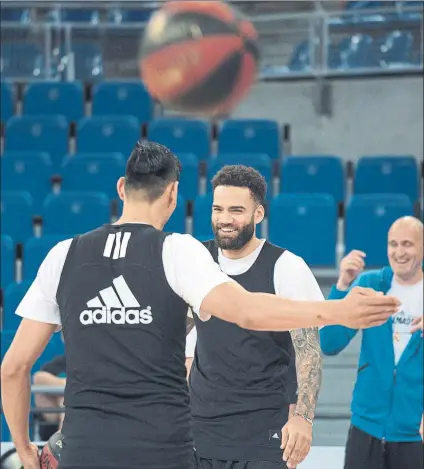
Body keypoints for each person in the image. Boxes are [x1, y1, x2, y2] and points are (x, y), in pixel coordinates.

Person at [1, 142, 399, 469]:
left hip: (86, 448)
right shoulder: (177, 251)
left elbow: (14, 368)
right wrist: (338, 310)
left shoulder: (62, 255)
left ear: (122, 188)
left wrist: (23, 447)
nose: (224, 218)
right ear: (174, 194)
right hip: (163, 449)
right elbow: (246, 310)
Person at [185, 165, 323, 469]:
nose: (224, 220)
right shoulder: (196, 261)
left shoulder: (287, 267)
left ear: (258, 214)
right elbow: (174, 336)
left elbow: (309, 352)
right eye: (218, 209)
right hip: (200, 430)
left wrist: (303, 417)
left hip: (264, 432)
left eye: (236, 210)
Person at [319, 216, 423, 469]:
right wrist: (343, 285)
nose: (399, 252)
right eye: (393, 244)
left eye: (407, 244)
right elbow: (330, 343)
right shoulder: (370, 285)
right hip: (366, 427)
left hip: (414, 433)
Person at [33, 353, 66, 441]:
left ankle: (62, 441)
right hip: (51, 420)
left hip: (85, 417)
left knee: (65, 398)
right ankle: (61, 441)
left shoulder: (93, 364)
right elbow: (37, 378)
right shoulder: (57, 364)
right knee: (64, 397)